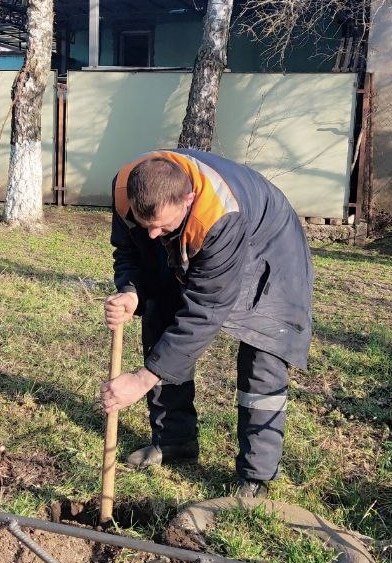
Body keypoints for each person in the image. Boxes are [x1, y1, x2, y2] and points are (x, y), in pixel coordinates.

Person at [100, 150, 313, 498]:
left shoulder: (220, 215)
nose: (153, 235)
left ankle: (256, 477)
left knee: (263, 353)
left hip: (271, 246)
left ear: (188, 199)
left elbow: (205, 309)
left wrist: (141, 379)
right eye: (145, 224)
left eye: (163, 227)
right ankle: (174, 442)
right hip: (200, 235)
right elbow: (130, 251)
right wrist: (132, 292)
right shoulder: (128, 188)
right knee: (161, 320)